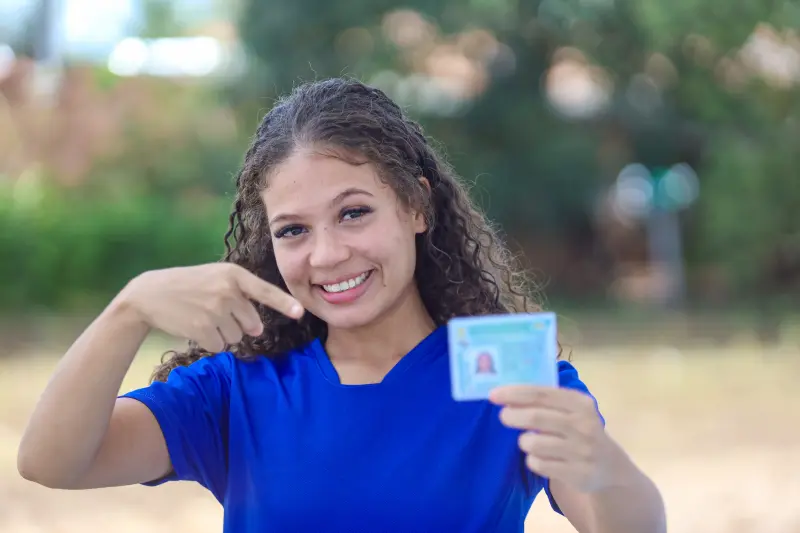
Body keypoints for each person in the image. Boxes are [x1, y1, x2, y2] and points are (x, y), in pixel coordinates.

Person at [17, 78, 666, 533]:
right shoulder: (237, 388)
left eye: (353, 212)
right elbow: (50, 462)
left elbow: (633, 526)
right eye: (293, 229)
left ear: (416, 205)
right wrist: (127, 309)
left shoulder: (505, 377)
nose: (327, 254)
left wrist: (603, 464)